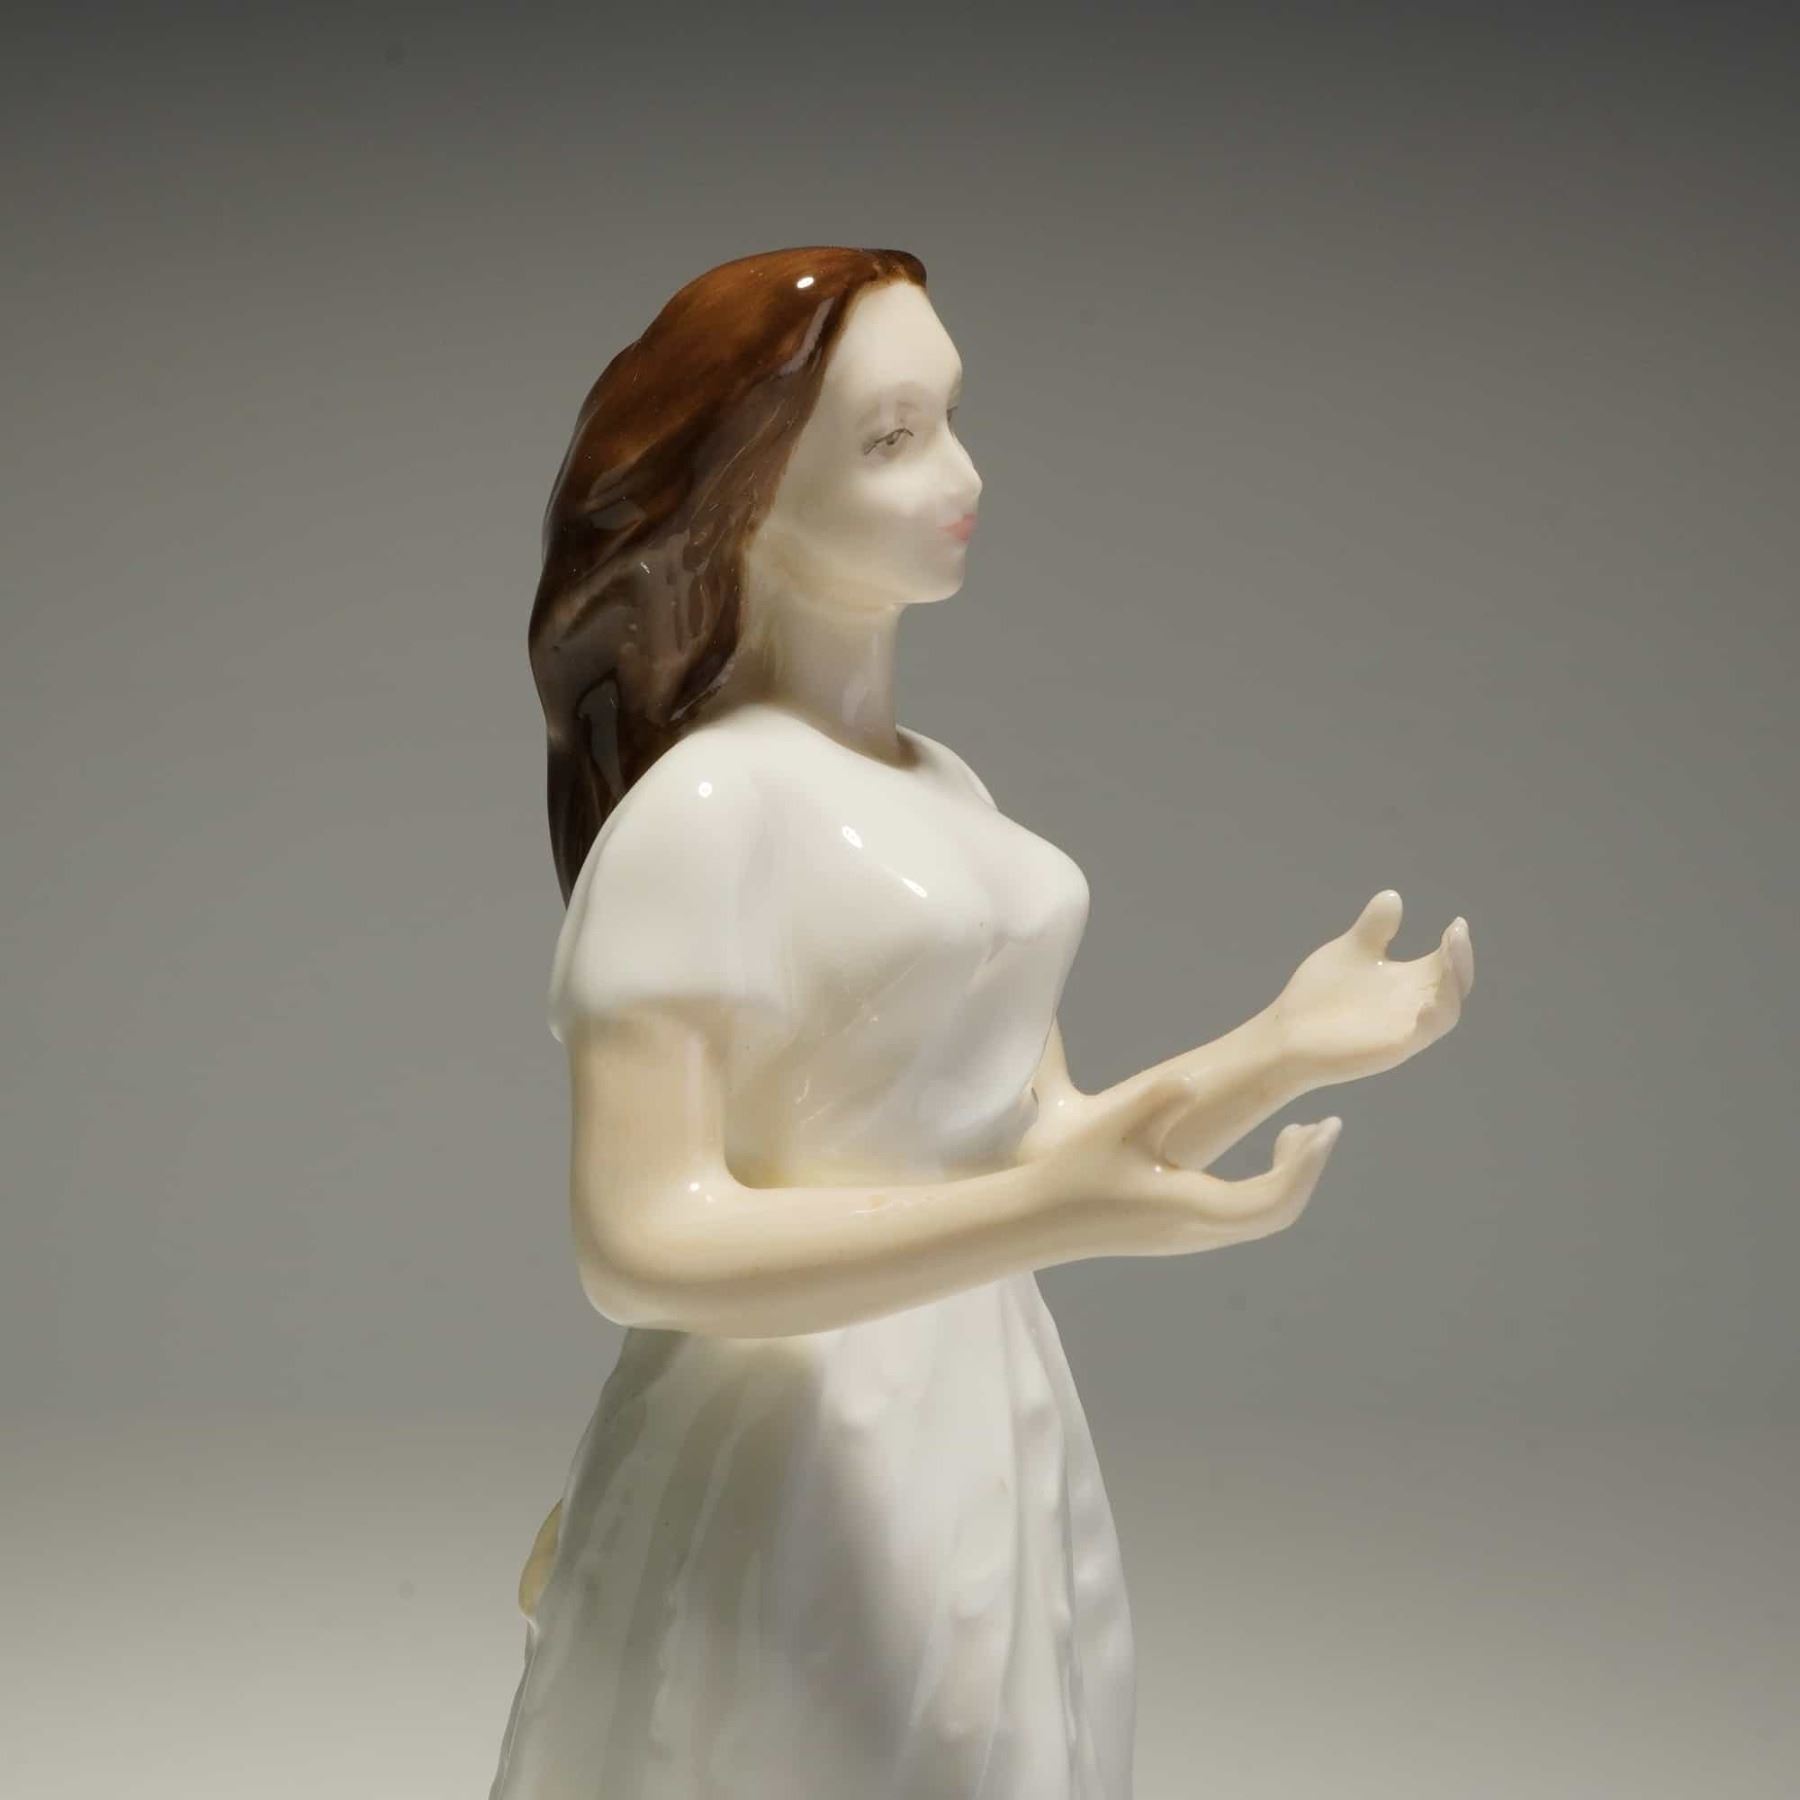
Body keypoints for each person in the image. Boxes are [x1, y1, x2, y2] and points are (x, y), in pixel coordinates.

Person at [488, 246, 1474, 1800]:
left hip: (977, 1411)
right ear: (748, 490)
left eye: (951, 417)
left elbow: (1034, 1144)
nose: (965, 474)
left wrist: (1278, 1048)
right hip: (795, 1439)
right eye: (893, 438)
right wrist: (1048, 1216)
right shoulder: (708, 810)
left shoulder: (946, 784)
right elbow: (641, 1241)